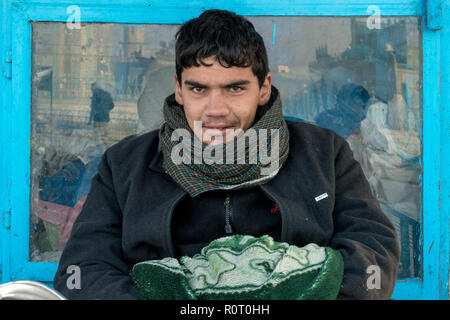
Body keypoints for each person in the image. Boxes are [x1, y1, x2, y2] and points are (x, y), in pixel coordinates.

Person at [53, 9, 400, 300]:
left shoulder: (324, 153)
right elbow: (83, 268)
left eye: (235, 88)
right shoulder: (125, 164)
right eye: (198, 89)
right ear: (179, 88)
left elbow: (374, 251)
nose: (215, 110)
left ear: (263, 88)